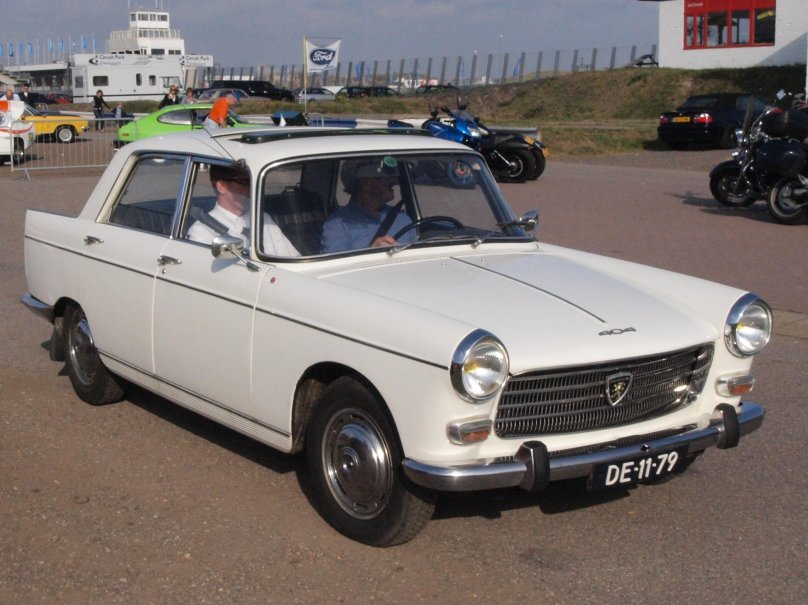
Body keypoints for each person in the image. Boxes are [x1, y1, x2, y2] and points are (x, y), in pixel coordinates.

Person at [186, 164, 299, 257]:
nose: (252, 188)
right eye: (244, 182)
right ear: (222, 187)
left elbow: (292, 257)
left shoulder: (263, 219)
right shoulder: (201, 233)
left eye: (253, 181)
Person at [320, 158, 413, 253]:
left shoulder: (402, 218)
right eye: (387, 178)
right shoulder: (338, 225)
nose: (395, 181)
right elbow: (335, 265)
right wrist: (370, 251)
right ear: (366, 183)